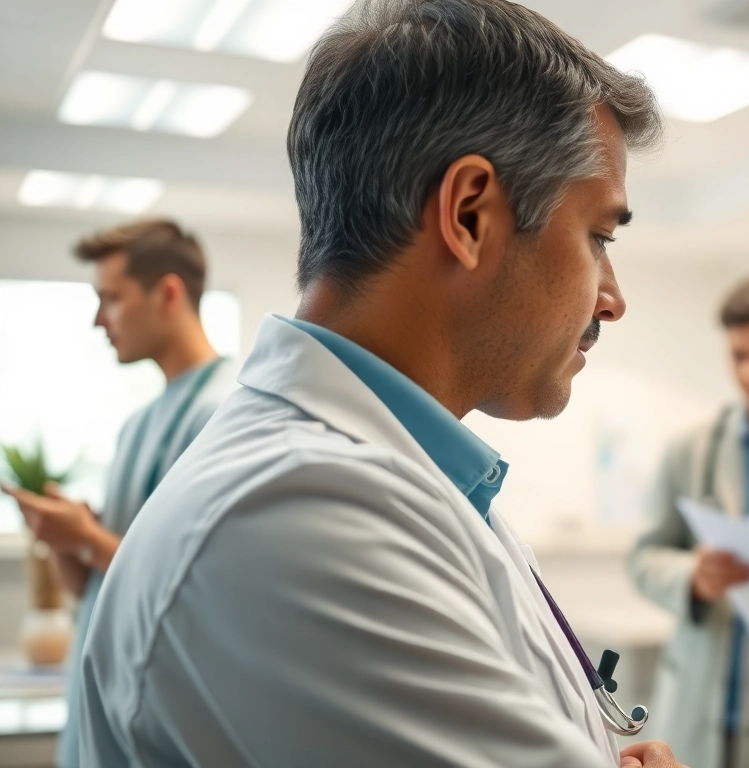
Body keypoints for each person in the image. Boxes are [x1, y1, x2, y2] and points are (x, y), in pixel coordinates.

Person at [76, 2, 685, 767]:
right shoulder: (296, 515)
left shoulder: (415, 483)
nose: (612, 297)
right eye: (598, 236)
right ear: (469, 214)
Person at [0, 219, 233, 768]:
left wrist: (91, 538)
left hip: (158, 706)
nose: (98, 320)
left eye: (110, 298)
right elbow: (91, 587)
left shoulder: (225, 412)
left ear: (169, 294)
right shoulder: (136, 426)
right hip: (98, 693)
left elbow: (195, 585)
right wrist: (64, 537)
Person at [629, 276, 749, 768]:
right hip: (697, 700)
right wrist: (692, 576)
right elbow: (643, 556)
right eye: (739, 356)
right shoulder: (692, 448)